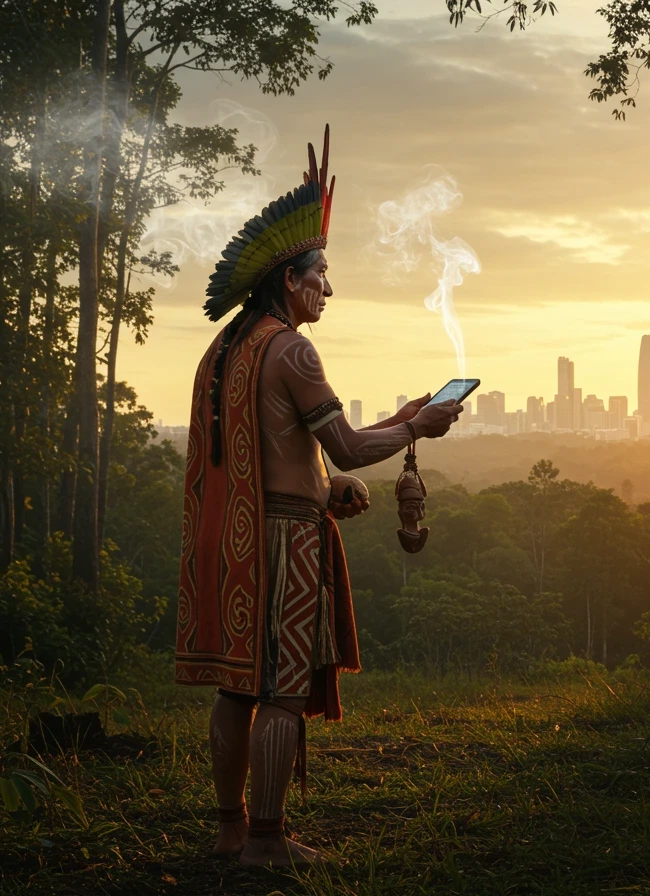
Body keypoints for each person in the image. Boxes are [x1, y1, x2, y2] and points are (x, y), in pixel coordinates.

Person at [174, 126, 463, 867]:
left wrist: (361, 454)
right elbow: (343, 449)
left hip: (232, 535)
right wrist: (416, 428)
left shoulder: (227, 350)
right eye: (320, 276)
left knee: (237, 685)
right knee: (278, 687)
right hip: (283, 541)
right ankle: (267, 843)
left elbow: (268, 453)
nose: (329, 289)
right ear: (288, 281)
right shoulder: (295, 349)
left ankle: (230, 827)